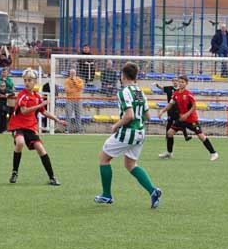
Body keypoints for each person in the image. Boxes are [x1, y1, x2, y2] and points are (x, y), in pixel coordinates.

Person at [96, 62, 161, 207]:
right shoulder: (140, 91)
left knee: (104, 158)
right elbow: (148, 116)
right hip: (141, 132)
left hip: (128, 132)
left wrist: (116, 125)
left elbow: (129, 115)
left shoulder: (124, 92)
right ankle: (153, 191)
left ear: (122, 75)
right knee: (130, 164)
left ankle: (106, 195)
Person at [7, 69, 64, 185]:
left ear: (35, 82)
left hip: (30, 127)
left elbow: (43, 112)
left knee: (41, 149)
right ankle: (14, 172)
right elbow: (24, 111)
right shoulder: (22, 95)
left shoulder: (37, 96)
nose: (27, 83)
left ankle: (52, 177)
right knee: (20, 142)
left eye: (30, 80)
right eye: (25, 80)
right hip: (18, 125)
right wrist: (40, 105)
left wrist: (57, 119)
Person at [157, 74, 218, 161]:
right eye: (179, 82)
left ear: (186, 83)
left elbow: (194, 107)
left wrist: (186, 115)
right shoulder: (176, 94)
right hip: (182, 119)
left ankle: (213, 153)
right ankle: (169, 153)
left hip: (191, 119)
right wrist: (162, 111)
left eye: (182, 82)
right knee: (170, 133)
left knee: (201, 136)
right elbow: (170, 104)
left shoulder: (189, 94)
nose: (180, 83)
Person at [63, 68, 85, 134]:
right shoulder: (67, 80)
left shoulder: (79, 80)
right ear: (69, 74)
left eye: (73, 73)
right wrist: (76, 89)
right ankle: (67, 130)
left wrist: (75, 82)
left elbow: (81, 87)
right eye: (71, 73)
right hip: (69, 100)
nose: (72, 75)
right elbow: (67, 90)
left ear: (75, 74)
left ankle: (79, 130)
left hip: (78, 100)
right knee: (68, 115)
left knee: (78, 115)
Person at [0, 68, 14, 133]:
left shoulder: (9, 80)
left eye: (5, 72)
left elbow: (11, 85)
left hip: (7, 101)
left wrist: (5, 81)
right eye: (3, 72)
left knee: (7, 115)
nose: (4, 74)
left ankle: (7, 128)